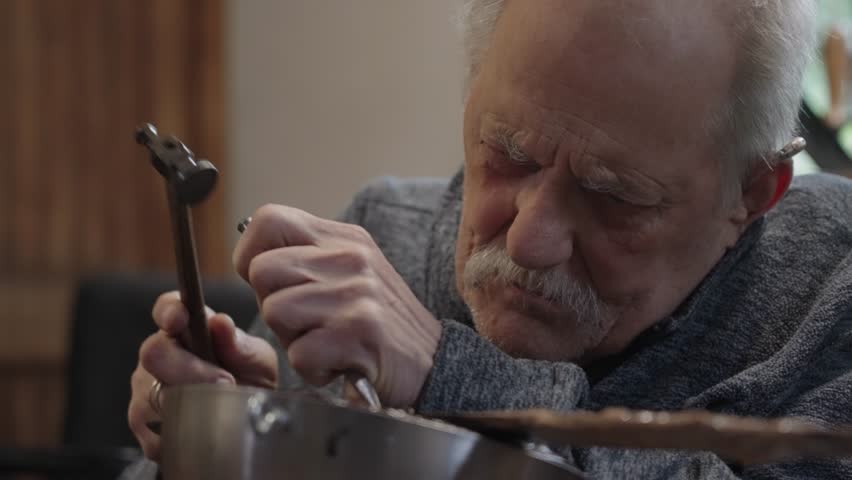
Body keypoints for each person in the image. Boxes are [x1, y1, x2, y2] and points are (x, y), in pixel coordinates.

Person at [127, 0, 852, 477]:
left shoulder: (832, 296)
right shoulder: (383, 236)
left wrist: (451, 376)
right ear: (473, 94)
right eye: (508, 152)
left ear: (752, 195)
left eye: (614, 195)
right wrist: (228, 444)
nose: (532, 240)